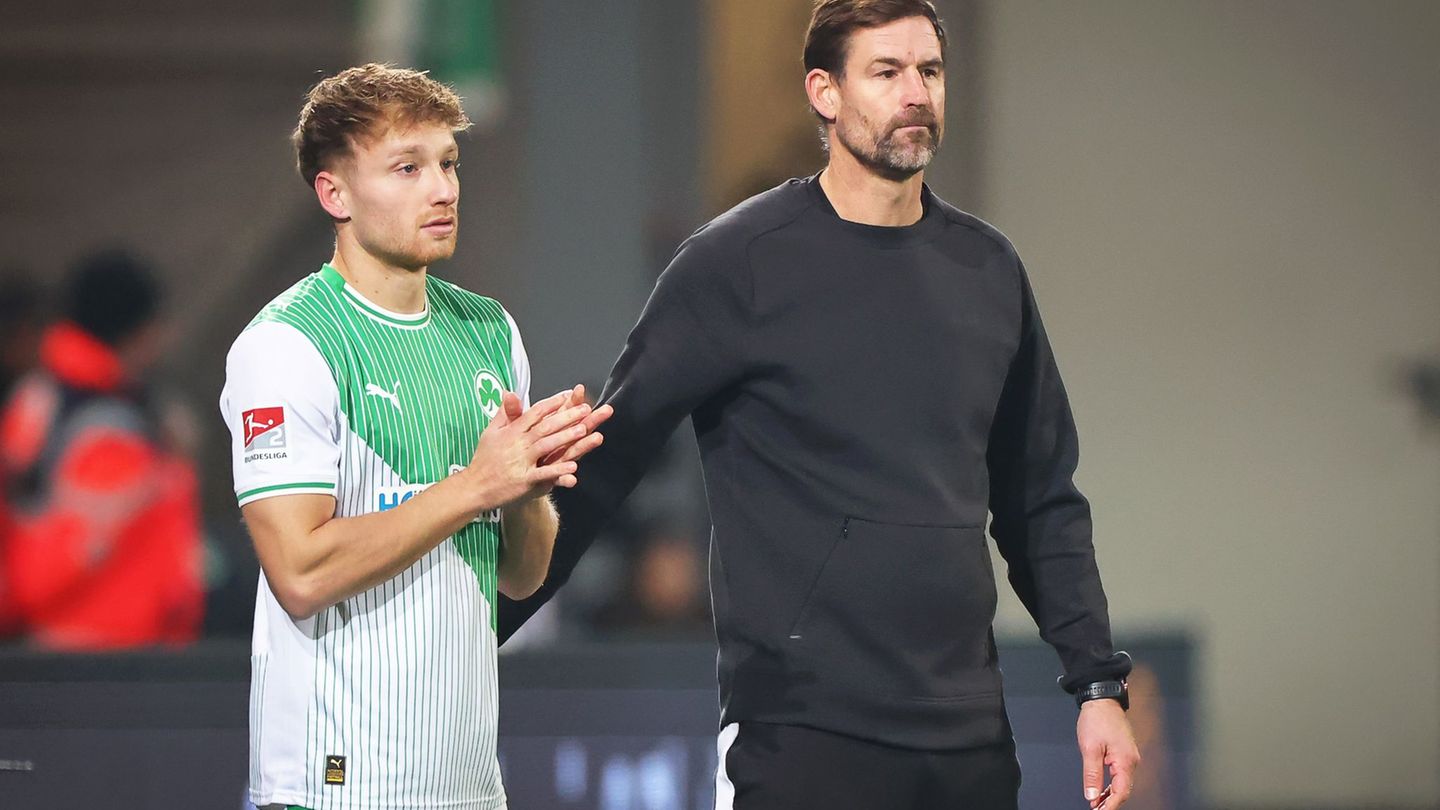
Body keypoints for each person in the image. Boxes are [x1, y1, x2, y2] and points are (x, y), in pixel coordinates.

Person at [500, 2, 1140, 808]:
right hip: (798, 737)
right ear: (824, 93)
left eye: (930, 71)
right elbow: (609, 462)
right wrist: (475, 630)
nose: (917, 93)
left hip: (967, 736)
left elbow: (1040, 498)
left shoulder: (988, 271)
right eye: (887, 72)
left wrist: (1096, 685)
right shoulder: (736, 264)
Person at [219, 64, 610, 810]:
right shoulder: (285, 346)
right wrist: (477, 486)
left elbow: (521, 579)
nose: (444, 189)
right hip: (333, 788)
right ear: (334, 193)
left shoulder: (490, 332)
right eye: (408, 167)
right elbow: (299, 574)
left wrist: (526, 491)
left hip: (469, 788)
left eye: (449, 163)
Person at [0, 251, 203, 649]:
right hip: (102, 658)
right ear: (137, 331)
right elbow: (56, 561)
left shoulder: (38, 398)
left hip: (60, 653)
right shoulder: (111, 428)